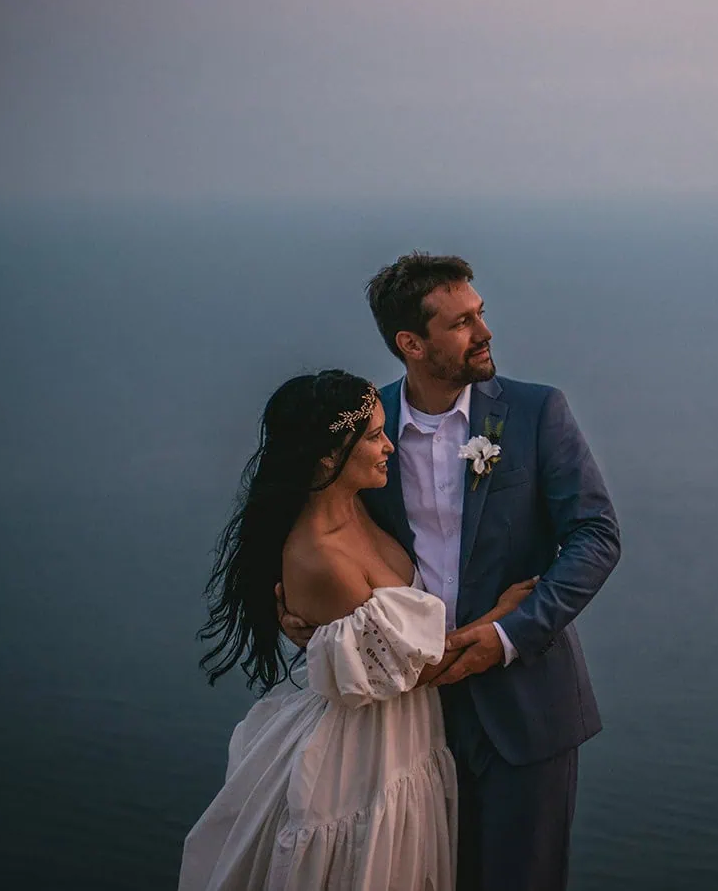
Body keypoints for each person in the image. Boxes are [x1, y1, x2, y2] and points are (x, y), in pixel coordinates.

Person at [279, 254, 621, 891]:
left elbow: (596, 537)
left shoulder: (537, 411)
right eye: (462, 323)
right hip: (404, 719)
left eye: (480, 314)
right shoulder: (368, 427)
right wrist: (316, 625)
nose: (485, 332)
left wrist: (506, 634)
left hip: (525, 711)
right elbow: (319, 529)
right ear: (411, 343)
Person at [179, 369, 535, 891]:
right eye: (373, 436)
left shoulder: (362, 503)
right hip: (361, 755)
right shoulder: (322, 556)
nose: (390, 446)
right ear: (326, 457)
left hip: (402, 734)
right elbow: (423, 668)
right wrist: (502, 616)